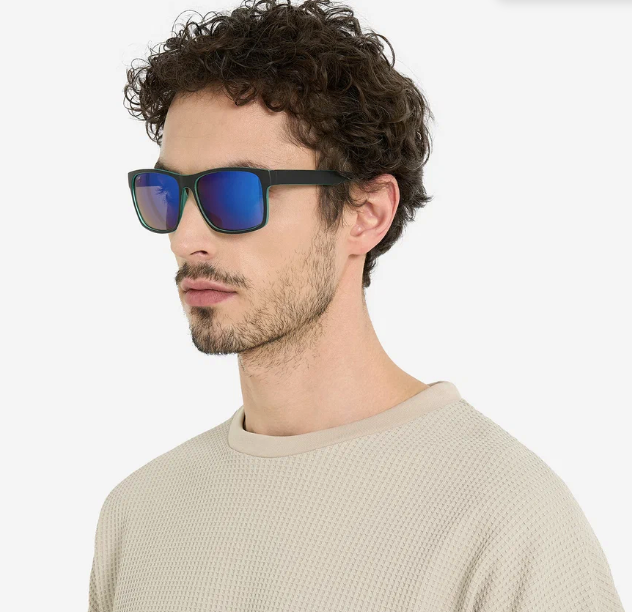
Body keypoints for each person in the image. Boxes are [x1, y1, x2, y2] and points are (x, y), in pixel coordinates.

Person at [88, 1, 626, 610]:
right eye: (165, 193)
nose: (186, 237)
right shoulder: (140, 515)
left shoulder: (506, 522)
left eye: (233, 193)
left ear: (366, 214)